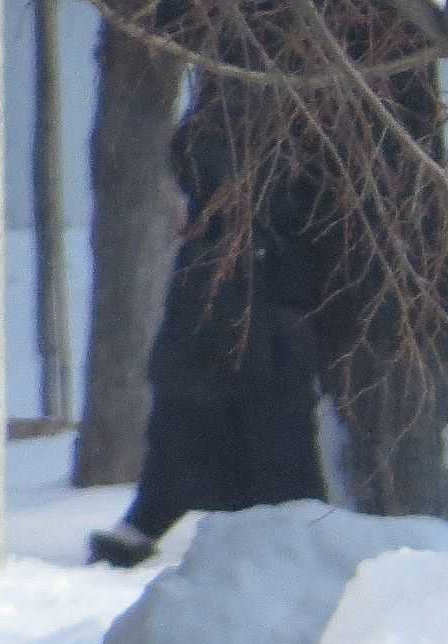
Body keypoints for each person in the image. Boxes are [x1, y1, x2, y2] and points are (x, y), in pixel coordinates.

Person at [87, 101, 328, 568]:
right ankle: (155, 518)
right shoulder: (230, 126)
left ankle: (283, 539)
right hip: (228, 308)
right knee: (192, 424)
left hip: (261, 310)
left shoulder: (286, 143)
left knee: (269, 440)